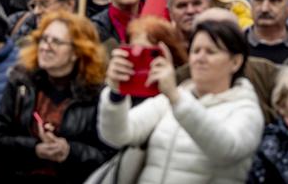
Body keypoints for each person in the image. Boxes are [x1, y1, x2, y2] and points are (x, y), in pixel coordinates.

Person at [99, 19, 265, 184]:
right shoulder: (171, 99)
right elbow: (117, 136)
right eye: (196, 51)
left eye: (211, 52)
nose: (200, 58)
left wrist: (176, 98)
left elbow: (227, 150)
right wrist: (116, 93)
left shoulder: (245, 109)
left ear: (236, 62)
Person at [0, 11, 112, 179]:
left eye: (56, 42)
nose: (46, 47)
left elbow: (108, 156)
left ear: (76, 52)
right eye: (44, 39)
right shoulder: (21, 82)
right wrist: (35, 148)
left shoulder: (97, 95)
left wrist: (70, 151)